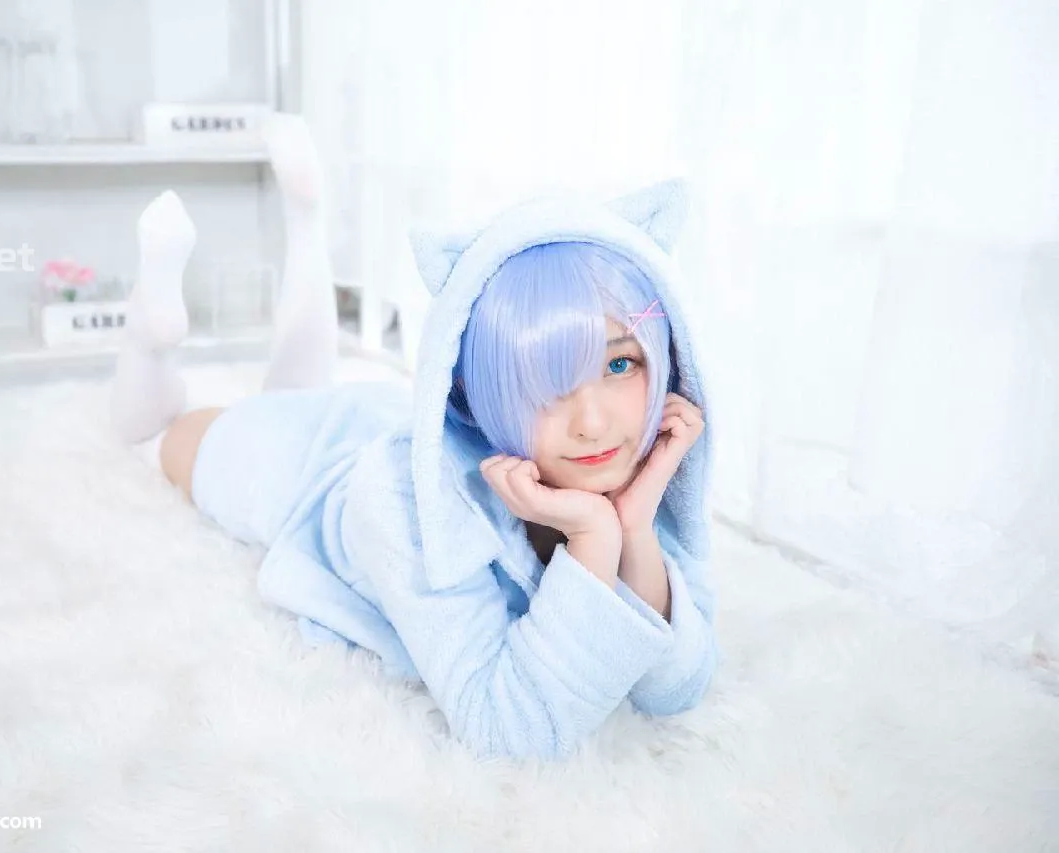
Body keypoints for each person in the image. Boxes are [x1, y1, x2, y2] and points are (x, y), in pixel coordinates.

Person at [111, 123, 716, 760]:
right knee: (157, 434)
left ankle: (306, 225)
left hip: (383, 411)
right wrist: (595, 537)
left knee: (297, 379)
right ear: (483, 390)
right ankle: (152, 333)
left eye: (619, 364)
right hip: (316, 469)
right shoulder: (400, 498)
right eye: (544, 381)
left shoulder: (630, 460)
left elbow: (677, 687)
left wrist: (634, 532)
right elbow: (510, 731)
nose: (593, 422)